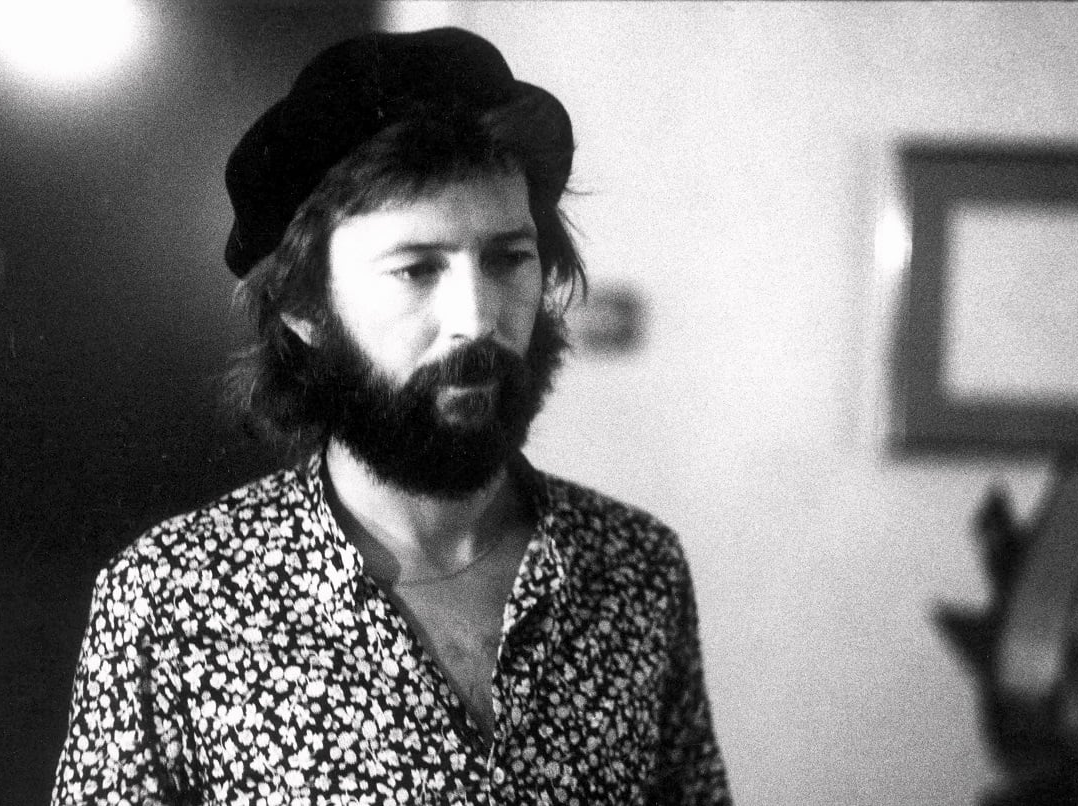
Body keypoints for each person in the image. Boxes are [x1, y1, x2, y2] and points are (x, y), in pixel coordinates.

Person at [51, 27, 731, 806]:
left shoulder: (636, 569)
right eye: (417, 269)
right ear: (305, 306)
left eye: (508, 259)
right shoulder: (172, 602)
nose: (477, 320)